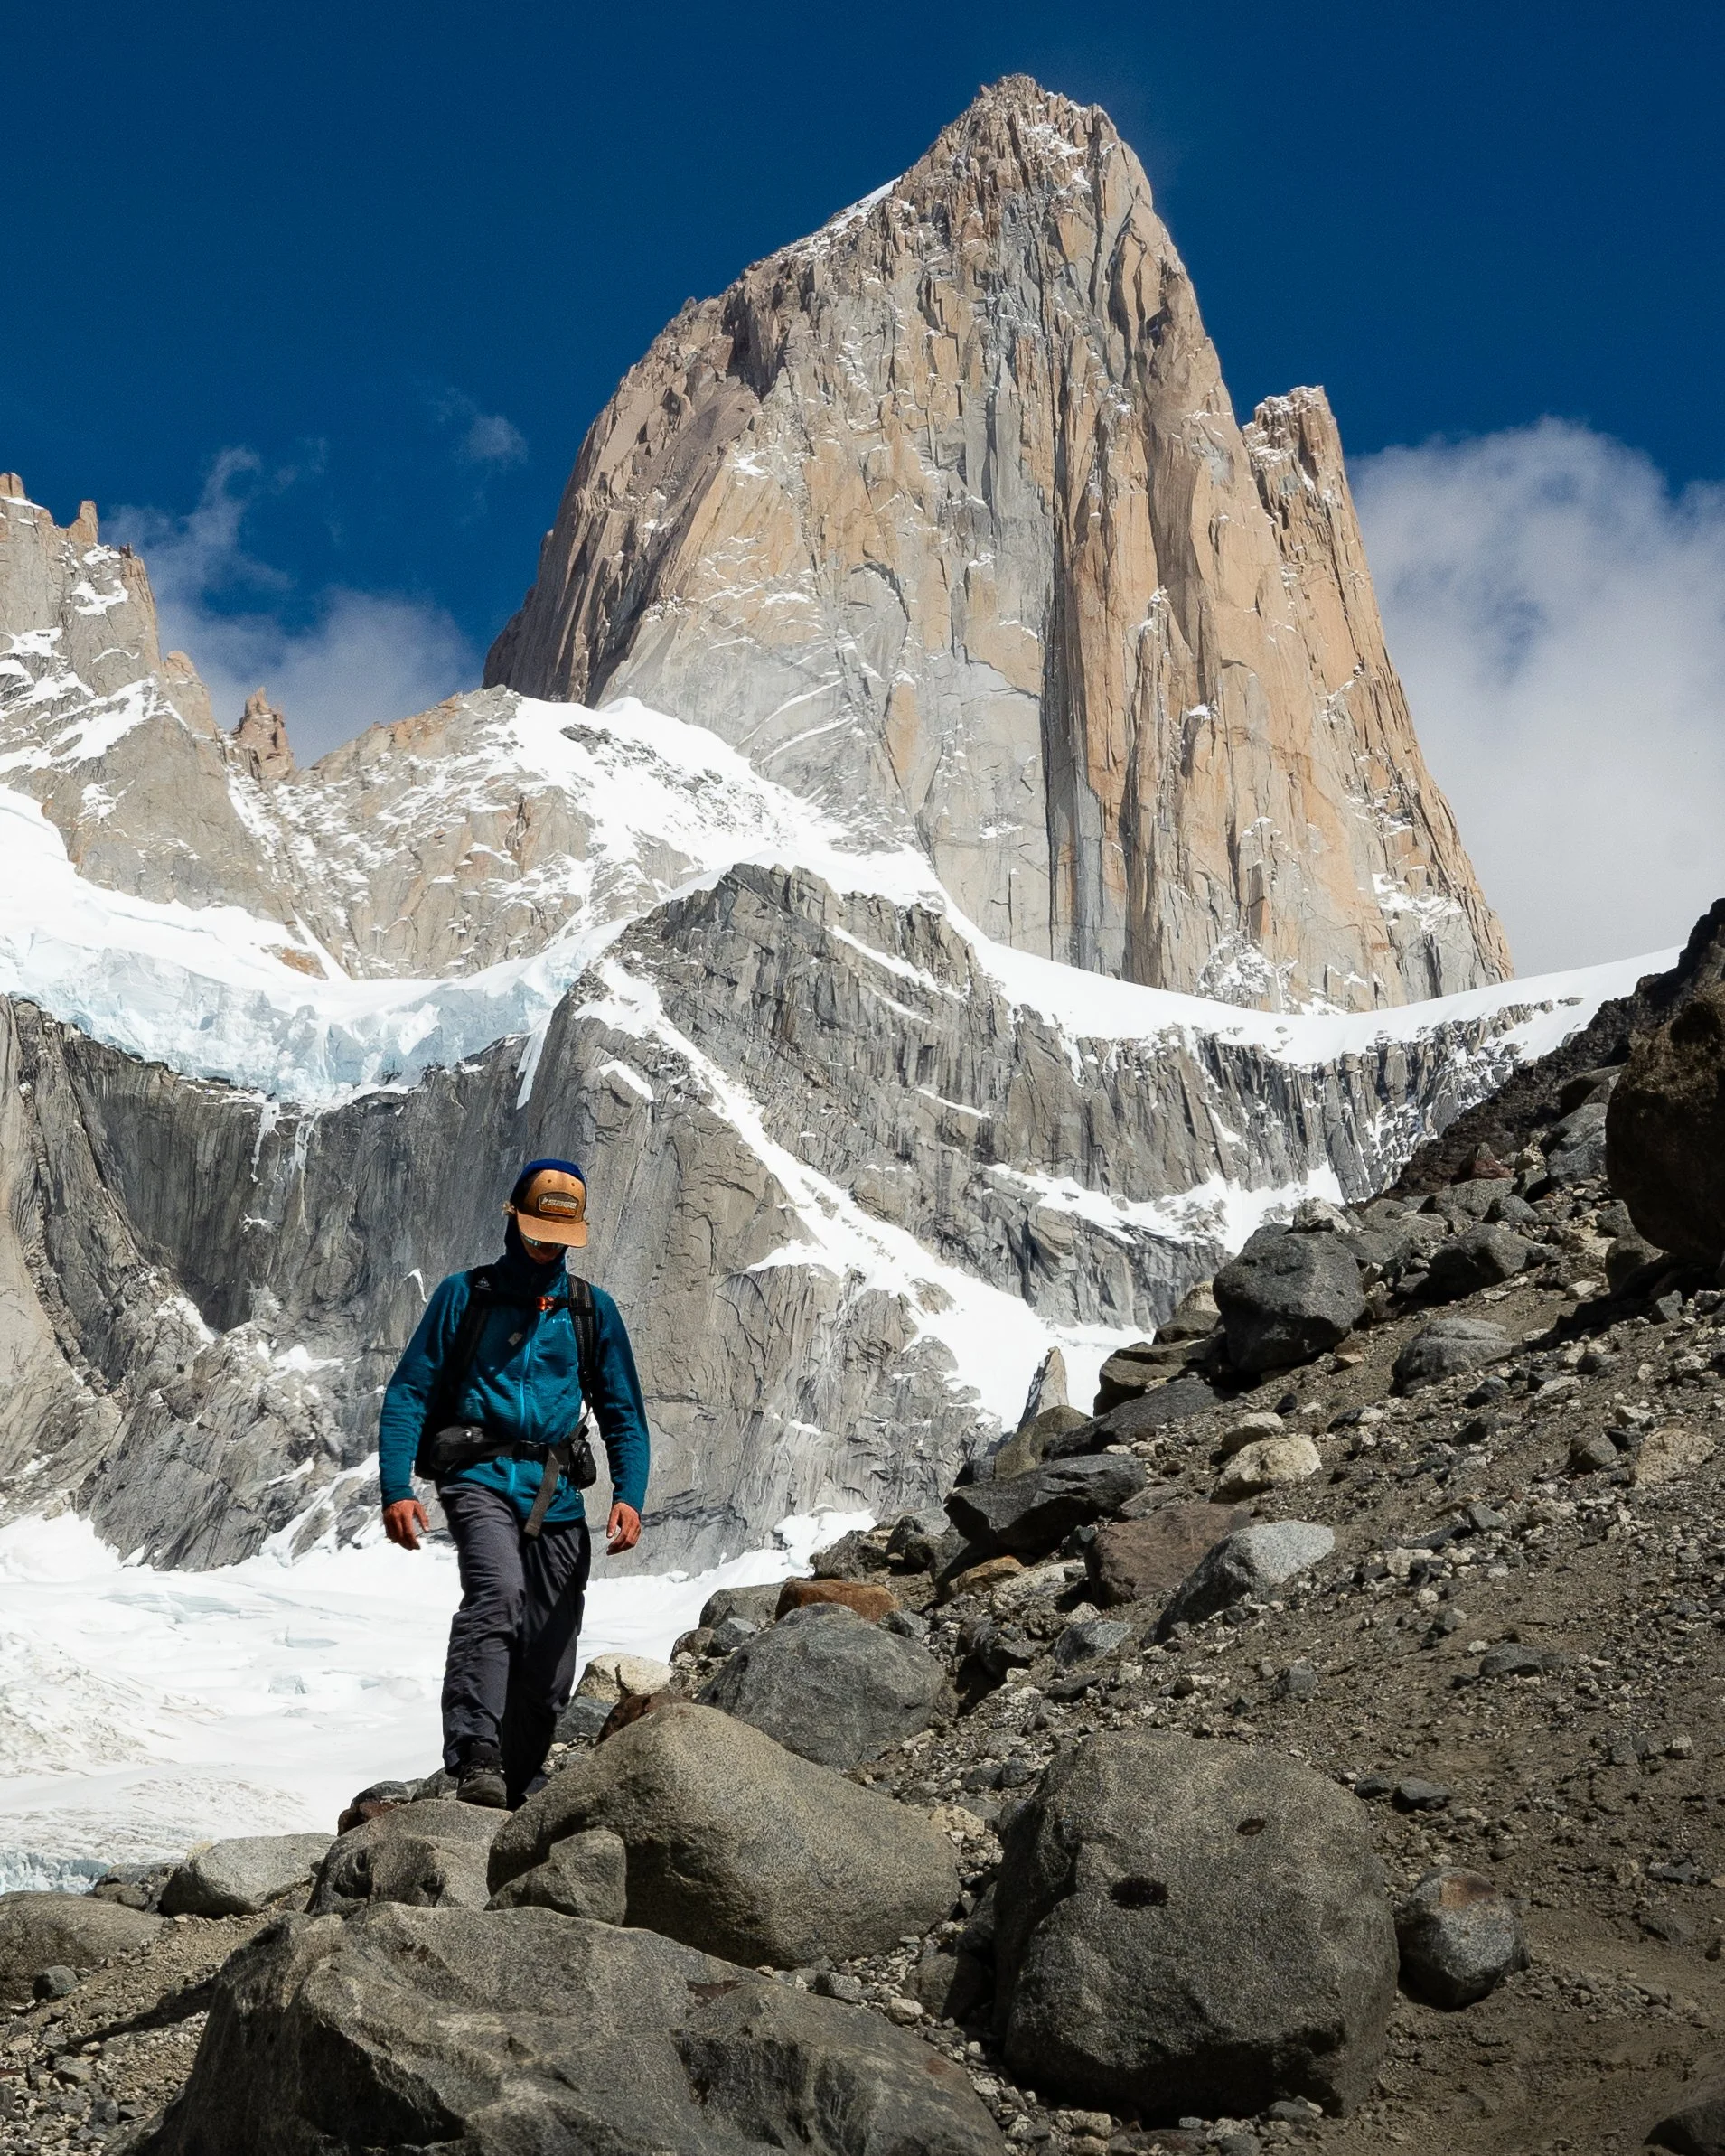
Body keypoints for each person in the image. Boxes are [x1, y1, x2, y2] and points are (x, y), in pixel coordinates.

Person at [377, 1158, 650, 1808]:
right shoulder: (463, 1295)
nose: (545, 1247)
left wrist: (629, 1494)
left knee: (553, 1647)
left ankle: (520, 1776)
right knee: (497, 1593)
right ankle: (476, 1754)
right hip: (477, 1474)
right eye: (535, 1233)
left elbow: (622, 1412)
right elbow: (410, 1390)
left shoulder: (590, 1310)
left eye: (557, 1237)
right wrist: (396, 1486)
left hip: (556, 1491)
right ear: (511, 1220)